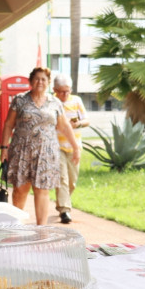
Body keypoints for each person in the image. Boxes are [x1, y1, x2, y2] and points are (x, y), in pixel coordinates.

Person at [0, 67, 80, 225]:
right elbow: (9, 124)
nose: (40, 82)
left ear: (49, 82)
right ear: (30, 81)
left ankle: (41, 231)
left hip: (46, 153)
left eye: (43, 79)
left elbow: (64, 126)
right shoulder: (20, 100)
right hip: (21, 151)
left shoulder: (55, 102)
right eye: (36, 79)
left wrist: (75, 147)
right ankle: (16, 226)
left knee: (42, 190)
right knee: (20, 189)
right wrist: (4, 148)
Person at [53, 74, 89, 224]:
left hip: (74, 147)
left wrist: (77, 124)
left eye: (67, 91)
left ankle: (63, 202)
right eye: (61, 91)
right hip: (57, 147)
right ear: (54, 90)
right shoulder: (52, 102)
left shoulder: (77, 101)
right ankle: (64, 210)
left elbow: (87, 120)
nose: (65, 95)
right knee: (62, 179)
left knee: (72, 181)